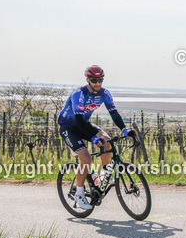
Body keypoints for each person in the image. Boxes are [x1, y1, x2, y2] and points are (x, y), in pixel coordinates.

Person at [57, 65, 137, 210]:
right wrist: (93, 139)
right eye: (94, 80)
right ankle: (79, 193)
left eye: (100, 80)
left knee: (107, 140)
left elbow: (114, 114)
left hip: (84, 125)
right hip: (69, 126)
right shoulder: (79, 94)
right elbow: (79, 120)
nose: (97, 83)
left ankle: (104, 174)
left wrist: (125, 130)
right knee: (86, 158)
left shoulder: (104, 93)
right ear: (87, 79)